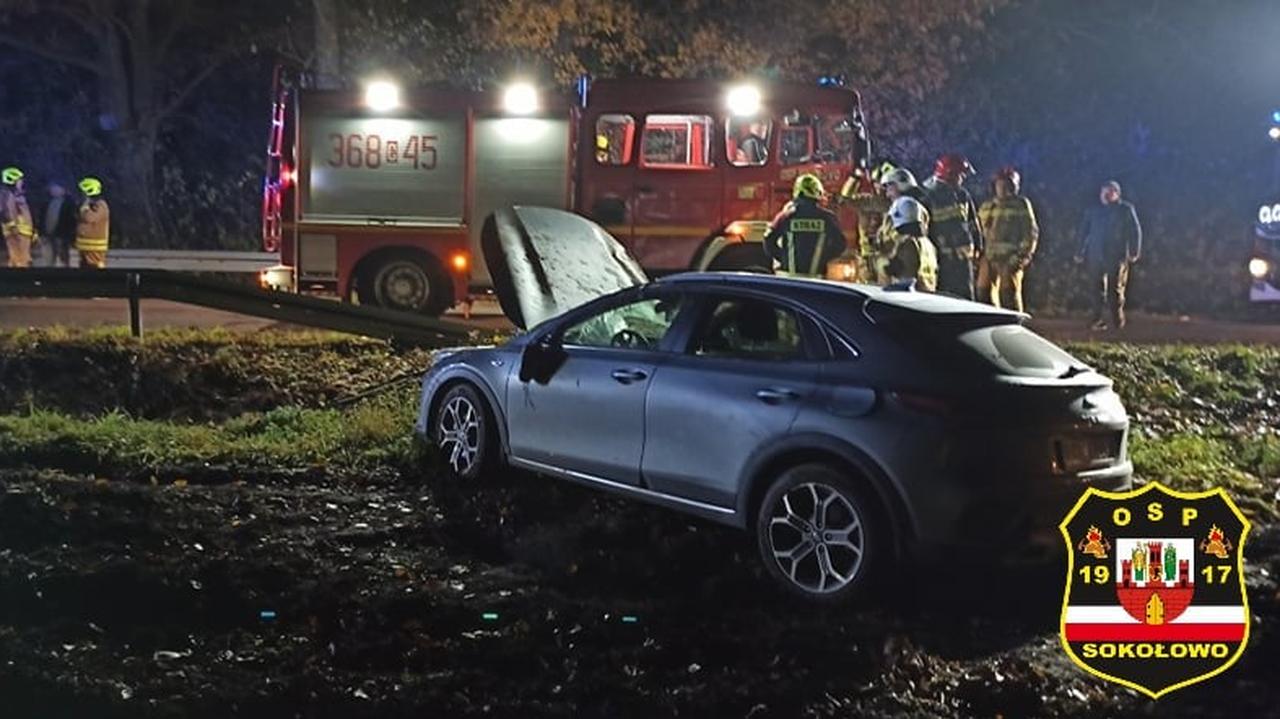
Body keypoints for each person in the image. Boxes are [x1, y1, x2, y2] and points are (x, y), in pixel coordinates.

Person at [1075, 180, 1141, 329]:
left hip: (1116, 255)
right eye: (1103, 191)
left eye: (1109, 192)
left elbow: (1134, 231)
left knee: (1115, 288)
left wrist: (1134, 250)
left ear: (1117, 194)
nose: (1105, 195)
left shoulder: (1125, 210)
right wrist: (1079, 251)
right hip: (1096, 254)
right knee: (1095, 288)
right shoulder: (1093, 211)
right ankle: (1097, 318)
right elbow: (1083, 232)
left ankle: (1117, 319)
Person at [976, 166, 1039, 312]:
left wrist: (1021, 256)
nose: (1002, 188)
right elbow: (978, 231)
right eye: (999, 184)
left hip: (1010, 259)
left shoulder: (1021, 204)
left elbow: (1030, 232)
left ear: (1014, 186)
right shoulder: (987, 206)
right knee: (983, 293)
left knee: (1009, 296)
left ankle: (1014, 328)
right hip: (989, 257)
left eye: (1006, 185)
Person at [922, 153, 983, 299]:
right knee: (944, 299)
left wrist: (978, 245)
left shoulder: (962, 195)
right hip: (942, 259)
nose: (963, 179)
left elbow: (972, 223)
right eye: (961, 175)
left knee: (966, 299)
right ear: (950, 174)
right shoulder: (928, 195)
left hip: (963, 260)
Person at [765, 173, 847, 277]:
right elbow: (840, 244)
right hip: (815, 278)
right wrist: (823, 257)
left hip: (788, 277)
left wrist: (783, 257)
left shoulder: (786, 216)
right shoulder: (827, 218)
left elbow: (768, 240)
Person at [838, 162, 893, 283]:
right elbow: (844, 198)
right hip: (867, 256)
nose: (880, 187)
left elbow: (845, 197)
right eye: (878, 183)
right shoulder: (866, 200)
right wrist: (855, 178)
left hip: (886, 256)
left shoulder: (897, 204)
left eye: (884, 185)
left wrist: (855, 178)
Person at [884, 195, 938, 292]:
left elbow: (906, 280)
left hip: (910, 299)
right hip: (926, 296)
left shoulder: (908, 244)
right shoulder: (928, 243)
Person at [1, 166, 36, 268]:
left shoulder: (15, 194)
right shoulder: (8, 194)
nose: (22, 182)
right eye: (19, 180)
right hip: (18, 231)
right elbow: (6, 211)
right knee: (19, 258)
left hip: (22, 231)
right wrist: (13, 226)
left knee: (19, 257)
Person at [38, 180, 77, 267]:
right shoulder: (46, 203)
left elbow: (71, 221)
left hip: (61, 236)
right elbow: (41, 219)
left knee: (63, 261)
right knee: (48, 261)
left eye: (55, 188)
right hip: (47, 236)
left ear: (63, 189)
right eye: (52, 188)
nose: (53, 190)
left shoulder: (69, 204)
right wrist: (41, 233)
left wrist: (69, 235)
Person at [75, 176, 110, 269]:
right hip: (85, 248)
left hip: (94, 249)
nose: (81, 194)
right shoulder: (90, 205)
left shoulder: (100, 205)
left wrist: (84, 206)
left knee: (95, 273)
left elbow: (89, 218)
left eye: (82, 192)